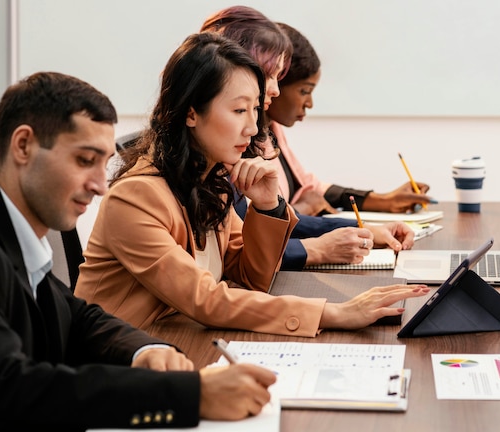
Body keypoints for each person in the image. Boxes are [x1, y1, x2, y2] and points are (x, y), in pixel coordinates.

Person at [0, 71, 277, 430]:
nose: (100, 186)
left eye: (103, 164)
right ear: (23, 145)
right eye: (84, 160)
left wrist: (145, 350)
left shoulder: (7, 228)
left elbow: (77, 317)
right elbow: (7, 387)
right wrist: (189, 394)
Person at [74, 32, 429, 338]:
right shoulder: (137, 196)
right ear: (191, 112)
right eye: (239, 110)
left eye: (256, 110)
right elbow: (205, 298)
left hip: (178, 340)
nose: (252, 126)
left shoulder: (207, 180)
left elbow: (250, 277)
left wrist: (267, 206)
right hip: (122, 361)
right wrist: (334, 313)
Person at [203, 6, 419, 271]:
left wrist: (362, 228)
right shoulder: (209, 159)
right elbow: (234, 258)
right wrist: (316, 249)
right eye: (269, 76)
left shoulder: (252, 137)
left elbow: (266, 228)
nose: (274, 90)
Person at [266, 22, 435, 216]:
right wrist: (301, 210)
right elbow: (258, 225)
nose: (309, 104)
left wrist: (384, 200)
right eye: (304, 91)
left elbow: (309, 187)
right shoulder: (245, 143)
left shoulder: (272, 129)